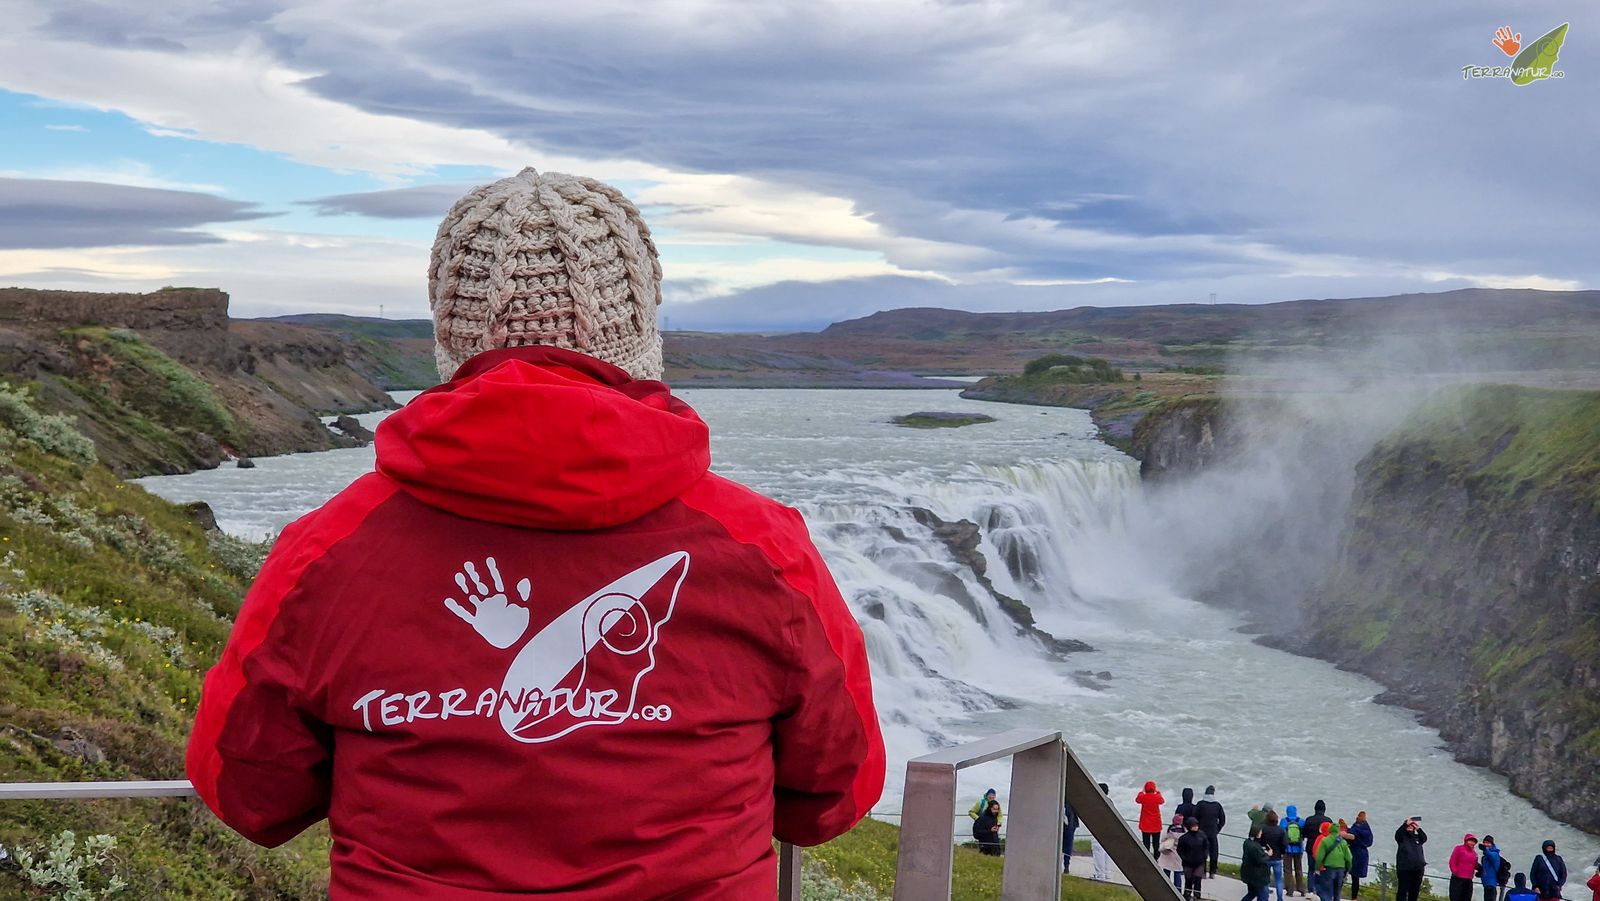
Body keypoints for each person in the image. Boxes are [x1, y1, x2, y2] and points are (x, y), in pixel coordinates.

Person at [185, 169, 887, 899]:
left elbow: (247, 793)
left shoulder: (327, 552)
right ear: (640, 323)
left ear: (451, 327)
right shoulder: (763, 549)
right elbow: (833, 793)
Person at [1315, 821, 1353, 901]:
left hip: (1328, 869)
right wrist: (1348, 869)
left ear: (1330, 830)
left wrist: (1317, 868)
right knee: (1337, 892)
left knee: (1327, 892)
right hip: (1340, 869)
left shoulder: (1325, 841)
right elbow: (1349, 858)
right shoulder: (1343, 842)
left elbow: (1319, 857)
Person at [1395, 817, 1429, 901]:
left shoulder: (1417, 837)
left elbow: (1424, 838)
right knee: (1402, 891)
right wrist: (1406, 823)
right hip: (1404, 868)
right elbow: (1398, 834)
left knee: (1414, 891)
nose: (1410, 827)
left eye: (1412, 825)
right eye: (1409, 826)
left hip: (1418, 869)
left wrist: (1418, 828)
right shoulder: (1401, 838)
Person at [1197, 785, 1228, 877]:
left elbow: (1194, 817)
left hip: (1201, 833)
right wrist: (1217, 829)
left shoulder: (1200, 804)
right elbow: (1222, 820)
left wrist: (1197, 829)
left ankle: (1202, 872)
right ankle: (1212, 872)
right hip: (1212, 833)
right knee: (1214, 853)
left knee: (1202, 853)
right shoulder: (1217, 805)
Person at [1178, 816, 1211, 901]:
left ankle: (1197, 896)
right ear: (1189, 826)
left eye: (1196, 825)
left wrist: (1205, 855)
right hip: (1188, 863)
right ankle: (1187, 896)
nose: (1196, 827)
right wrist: (1185, 858)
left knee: (1198, 879)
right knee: (1188, 880)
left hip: (1199, 862)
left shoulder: (1202, 835)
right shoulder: (1184, 838)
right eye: (1193, 825)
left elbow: (1206, 845)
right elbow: (1180, 850)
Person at [1261, 808, 1289, 901]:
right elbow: (1285, 844)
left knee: (1265, 879)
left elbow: (1260, 843)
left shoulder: (1264, 829)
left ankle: (1265, 898)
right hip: (1277, 858)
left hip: (1266, 857)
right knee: (1279, 880)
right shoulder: (1281, 830)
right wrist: (1282, 853)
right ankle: (1280, 898)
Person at [1242, 826, 1275, 901]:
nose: (1261, 833)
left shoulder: (1247, 842)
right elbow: (1261, 860)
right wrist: (1268, 854)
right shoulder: (1255, 847)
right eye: (1260, 831)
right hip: (1258, 876)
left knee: (1252, 893)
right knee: (1263, 896)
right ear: (1256, 833)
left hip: (1249, 873)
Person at [1348, 811, 1374, 899]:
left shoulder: (1355, 828)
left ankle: (1338, 894)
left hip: (1354, 852)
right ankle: (1354, 898)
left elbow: (1351, 833)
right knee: (1356, 878)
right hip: (1363, 854)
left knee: (1350, 875)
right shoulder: (1367, 829)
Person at [1285, 804, 1309, 897]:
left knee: (1288, 870)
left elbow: (1281, 834)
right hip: (1299, 849)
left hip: (1288, 849)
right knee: (1299, 869)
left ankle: (1289, 890)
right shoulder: (1301, 821)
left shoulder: (1284, 821)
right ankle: (1301, 889)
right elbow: (1304, 834)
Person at [1137, 781, 1167, 854]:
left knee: (1146, 844)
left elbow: (1137, 800)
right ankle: (1156, 860)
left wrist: (1142, 791)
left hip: (1145, 824)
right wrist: (1158, 792)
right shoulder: (1157, 797)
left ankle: (1147, 858)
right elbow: (1162, 801)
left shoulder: (1143, 797)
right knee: (1156, 844)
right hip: (1156, 824)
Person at [1450, 834, 1482, 901]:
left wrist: (1480, 868)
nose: (1472, 843)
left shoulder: (1474, 853)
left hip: (1468, 879)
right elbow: (1452, 861)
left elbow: (1474, 864)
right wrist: (1455, 871)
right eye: (1470, 841)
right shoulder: (1459, 848)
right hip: (1458, 878)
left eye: (1474, 841)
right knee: (1455, 898)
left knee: (1466, 898)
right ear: (1466, 841)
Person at [1092, 783, 1114, 880]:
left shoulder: (1097, 802)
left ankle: (1100, 874)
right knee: (1106, 852)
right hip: (1109, 829)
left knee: (1098, 852)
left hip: (1098, 829)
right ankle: (1106, 872)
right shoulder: (1110, 801)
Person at [1160, 813, 1186, 888]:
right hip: (1179, 856)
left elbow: (1162, 841)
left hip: (1168, 855)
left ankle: (1165, 888)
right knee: (1177, 874)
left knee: (1166, 872)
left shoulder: (1169, 831)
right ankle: (1177, 891)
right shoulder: (1184, 832)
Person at [1481, 834, 1507, 901]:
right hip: (1486, 883)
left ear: (1492, 844)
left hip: (1491, 883)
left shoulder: (1494, 854)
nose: (1486, 844)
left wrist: (1485, 850)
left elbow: (1491, 856)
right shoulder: (1485, 856)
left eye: (1488, 843)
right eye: (1485, 842)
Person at [1063, 797, 1080, 874]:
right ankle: (1066, 865)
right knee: (1068, 845)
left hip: (1070, 822)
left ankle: (1066, 866)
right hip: (1071, 822)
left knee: (1067, 845)